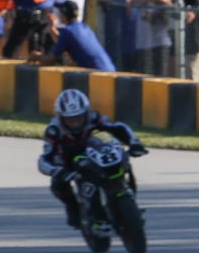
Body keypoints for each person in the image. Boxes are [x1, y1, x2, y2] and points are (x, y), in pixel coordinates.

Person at [39, 89, 146, 228]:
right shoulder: (54, 130)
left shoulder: (94, 118)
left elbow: (118, 128)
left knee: (122, 160)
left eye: (79, 117)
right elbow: (44, 159)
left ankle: (128, 194)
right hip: (68, 160)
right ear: (60, 117)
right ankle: (74, 209)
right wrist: (56, 171)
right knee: (57, 185)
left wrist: (134, 143)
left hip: (94, 150)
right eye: (70, 119)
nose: (75, 123)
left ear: (86, 113)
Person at [44, 0, 116, 71]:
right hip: (109, 70)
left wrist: (36, 57)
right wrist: (52, 27)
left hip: (97, 75)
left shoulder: (67, 31)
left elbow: (50, 61)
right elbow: (62, 41)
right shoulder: (84, 27)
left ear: (63, 14)